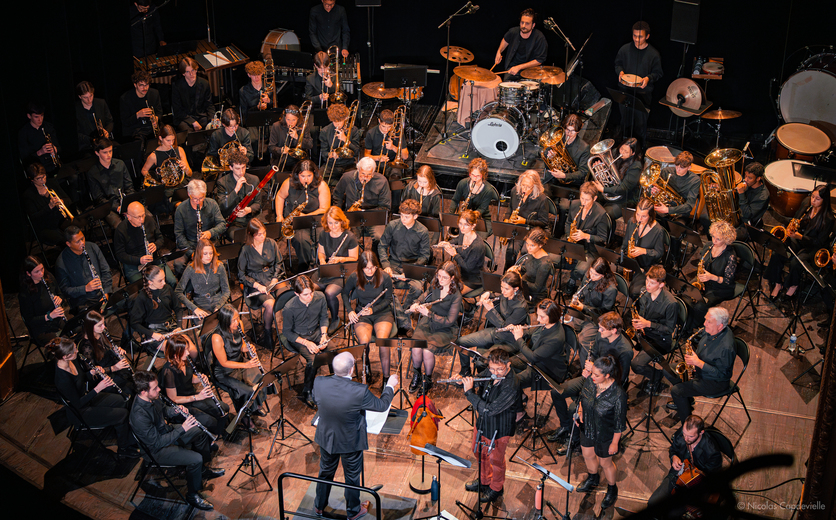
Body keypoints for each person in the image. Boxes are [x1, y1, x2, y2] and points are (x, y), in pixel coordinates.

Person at [312, 352, 395, 520]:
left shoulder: (319, 382)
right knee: (351, 477)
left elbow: (317, 399)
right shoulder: (359, 390)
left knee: (325, 472)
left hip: (326, 436)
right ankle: (353, 511)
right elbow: (382, 406)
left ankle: (319, 507)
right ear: (351, 370)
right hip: (350, 441)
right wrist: (390, 386)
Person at [130, 370, 223, 512]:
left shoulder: (153, 398)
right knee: (195, 459)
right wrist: (182, 429)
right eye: (155, 388)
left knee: (199, 431)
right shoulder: (138, 416)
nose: (159, 389)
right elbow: (157, 443)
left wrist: (175, 411)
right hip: (156, 450)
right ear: (143, 392)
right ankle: (192, 495)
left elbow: (164, 410)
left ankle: (202, 470)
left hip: (165, 432)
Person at [547, 311, 632, 457]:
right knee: (557, 392)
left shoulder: (625, 350)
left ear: (614, 330)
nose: (598, 331)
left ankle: (573, 440)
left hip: (606, 387)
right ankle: (566, 427)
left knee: (574, 408)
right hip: (593, 377)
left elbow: (620, 379)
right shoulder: (601, 336)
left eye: (602, 329)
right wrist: (589, 368)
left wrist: (595, 371)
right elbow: (594, 355)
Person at [47, 337, 138, 458]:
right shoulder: (62, 379)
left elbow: (81, 378)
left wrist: (91, 373)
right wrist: (98, 389)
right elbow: (78, 404)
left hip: (88, 398)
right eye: (74, 351)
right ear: (65, 356)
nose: (77, 352)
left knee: (123, 401)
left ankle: (127, 434)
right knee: (122, 414)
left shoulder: (71, 361)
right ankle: (123, 447)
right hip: (80, 412)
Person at [461, 348, 522, 504]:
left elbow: (490, 410)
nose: (495, 372)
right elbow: (477, 379)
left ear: (508, 365)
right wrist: (461, 380)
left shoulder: (511, 385)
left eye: (500, 369)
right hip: (483, 423)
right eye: (492, 368)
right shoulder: (491, 372)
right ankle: (484, 480)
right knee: (478, 452)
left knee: (496, 460)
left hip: (499, 429)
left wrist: (469, 393)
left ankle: (496, 487)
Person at [574, 355, 628, 510]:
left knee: (606, 463)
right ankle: (593, 478)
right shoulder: (591, 382)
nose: (592, 377)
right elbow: (582, 398)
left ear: (607, 375)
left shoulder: (618, 395)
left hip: (605, 434)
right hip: (587, 427)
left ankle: (612, 488)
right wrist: (580, 410)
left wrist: (615, 443)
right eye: (592, 373)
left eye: (596, 375)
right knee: (588, 455)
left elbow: (619, 423)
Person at [667, 308, 736, 423]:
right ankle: (686, 401)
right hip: (700, 368)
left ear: (720, 326)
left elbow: (722, 375)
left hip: (714, 382)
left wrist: (698, 363)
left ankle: (687, 423)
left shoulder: (726, 347)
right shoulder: (712, 330)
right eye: (705, 320)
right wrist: (694, 358)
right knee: (668, 370)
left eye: (709, 322)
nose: (704, 324)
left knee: (676, 391)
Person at [765, 185, 834, 301]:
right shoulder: (807, 203)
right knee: (779, 251)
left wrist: (800, 237)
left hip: (813, 247)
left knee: (796, 263)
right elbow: (796, 218)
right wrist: (790, 228)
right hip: (798, 238)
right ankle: (777, 283)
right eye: (812, 196)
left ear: (824, 200)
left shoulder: (828, 219)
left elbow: (819, 242)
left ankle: (793, 286)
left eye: (817, 199)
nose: (813, 201)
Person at [647, 415, 722, 519]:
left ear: (701, 433)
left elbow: (714, 476)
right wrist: (674, 457)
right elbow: (673, 450)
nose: (686, 439)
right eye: (684, 434)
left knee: (672, 513)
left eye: (690, 436)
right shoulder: (681, 435)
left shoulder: (712, 451)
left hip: (696, 485)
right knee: (653, 503)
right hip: (677, 475)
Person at [457, 271, 528, 377]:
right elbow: (496, 295)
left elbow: (504, 328)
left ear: (516, 289)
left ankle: (481, 383)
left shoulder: (521, 307)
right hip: (495, 332)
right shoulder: (506, 294)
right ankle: (465, 371)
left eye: (506, 288)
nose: (502, 291)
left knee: (482, 362)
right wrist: (488, 293)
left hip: (508, 340)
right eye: (501, 287)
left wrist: (491, 310)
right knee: (460, 342)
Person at [159, 334, 229, 439]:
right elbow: (173, 399)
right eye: (185, 351)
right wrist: (197, 397)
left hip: (192, 396)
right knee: (211, 421)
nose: (188, 353)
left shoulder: (184, 360)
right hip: (183, 404)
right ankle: (218, 434)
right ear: (175, 354)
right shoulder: (168, 372)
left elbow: (189, 377)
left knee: (224, 407)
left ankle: (225, 429)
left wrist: (200, 378)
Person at [408, 262, 463, 394]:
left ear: (452, 278)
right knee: (416, 347)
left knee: (427, 351)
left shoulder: (456, 296)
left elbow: (449, 321)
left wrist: (429, 314)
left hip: (445, 328)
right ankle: (417, 375)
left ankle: (427, 379)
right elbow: (426, 293)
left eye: (445, 277)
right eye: (439, 276)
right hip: (429, 322)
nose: (440, 279)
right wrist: (417, 303)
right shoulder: (436, 283)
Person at [210, 305, 267, 431]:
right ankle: (245, 418)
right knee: (245, 390)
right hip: (225, 372)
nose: (237, 322)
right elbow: (224, 362)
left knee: (262, 379)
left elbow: (240, 346)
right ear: (225, 321)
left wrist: (248, 347)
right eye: (233, 320)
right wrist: (246, 365)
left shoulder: (239, 324)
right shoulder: (217, 337)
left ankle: (255, 406)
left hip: (239, 363)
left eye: (237, 318)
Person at [342, 251, 395, 386]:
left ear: (377, 266)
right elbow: (344, 293)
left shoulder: (384, 277)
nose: (369, 271)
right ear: (361, 267)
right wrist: (350, 311)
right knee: (364, 342)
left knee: (382, 341)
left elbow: (388, 299)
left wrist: (373, 310)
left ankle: (386, 379)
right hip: (362, 313)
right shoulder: (355, 276)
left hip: (382, 313)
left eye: (372, 267)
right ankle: (366, 368)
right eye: (366, 268)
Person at [281, 275, 330, 408]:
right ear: (297, 294)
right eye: (306, 294)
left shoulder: (320, 297)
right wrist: (306, 343)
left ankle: (334, 384)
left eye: (312, 292)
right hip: (298, 337)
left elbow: (324, 317)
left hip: (316, 332)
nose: (310, 296)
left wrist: (324, 334)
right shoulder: (289, 308)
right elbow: (287, 332)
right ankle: (307, 391)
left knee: (334, 353)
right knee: (313, 360)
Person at [629, 265, 679, 394]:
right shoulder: (644, 294)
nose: (647, 285)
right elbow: (643, 314)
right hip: (646, 334)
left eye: (652, 283)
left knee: (636, 365)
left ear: (661, 284)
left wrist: (648, 324)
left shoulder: (670, 303)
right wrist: (639, 321)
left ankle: (657, 376)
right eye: (647, 281)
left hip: (661, 340)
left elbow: (669, 330)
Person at [378, 199, 431, 321]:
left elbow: (424, 256)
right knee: (383, 285)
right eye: (401, 215)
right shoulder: (393, 225)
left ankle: (402, 314)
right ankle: (403, 318)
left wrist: (409, 272)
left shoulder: (423, 231)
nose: (403, 219)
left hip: (413, 265)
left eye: (406, 217)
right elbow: (382, 246)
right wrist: (386, 265)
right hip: (394, 262)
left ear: (415, 216)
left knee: (417, 289)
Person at [275, 159, 331, 271]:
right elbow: (280, 197)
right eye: (302, 176)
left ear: (314, 174)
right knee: (300, 240)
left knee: (323, 237)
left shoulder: (322, 185)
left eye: (309, 176)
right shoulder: (289, 183)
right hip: (295, 221)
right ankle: (305, 267)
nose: (306, 179)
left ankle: (322, 264)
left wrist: (307, 215)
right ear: (297, 174)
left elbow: (325, 209)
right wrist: (279, 215)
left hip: (316, 220)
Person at [614, 21, 663, 144]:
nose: (636, 39)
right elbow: (618, 64)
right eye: (634, 36)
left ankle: (638, 152)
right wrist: (620, 72)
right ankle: (623, 151)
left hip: (643, 94)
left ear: (647, 36)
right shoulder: (624, 49)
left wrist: (648, 78)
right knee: (624, 123)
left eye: (640, 36)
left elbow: (658, 73)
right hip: (625, 91)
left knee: (640, 126)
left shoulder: (653, 54)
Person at [239, 218, 282, 349]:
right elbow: (241, 275)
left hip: (272, 280)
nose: (262, 236)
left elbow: (279, 264)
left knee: (290, 296)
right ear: (251, 235)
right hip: (256, 284)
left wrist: (275, 279)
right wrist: (257, 285)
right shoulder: (245, 249)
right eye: (258, 234)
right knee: (270, 304)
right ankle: (267, 331)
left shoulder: (272, 243)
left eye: (264, 232)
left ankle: (288, 332)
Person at [544, 115, 592, 234]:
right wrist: (548, 157)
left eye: (572, 131)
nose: (568, 133)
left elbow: (583, 172)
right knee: (540, 197)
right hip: (554, 180)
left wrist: (565, 176)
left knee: (564, 206)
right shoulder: (557, 139)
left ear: (578, 130)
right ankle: (541, 227)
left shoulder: (584, 147)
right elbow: (546, 162)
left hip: (571, 184)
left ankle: (559, 233)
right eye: (567, 129)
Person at [688, 220, 738, 330]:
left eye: (718, 239)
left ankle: (692, 327)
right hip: (705, 281)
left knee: (700, 306)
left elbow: (728, 281)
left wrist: (712, 277)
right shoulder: (708, 246)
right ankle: (686, 322)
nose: (714, 241)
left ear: (726, 240)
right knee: (685, 293)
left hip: (720, 288)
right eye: (713, 237)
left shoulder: (730, 257)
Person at [333, 156, 392, 249]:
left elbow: (385, 207)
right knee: (349, 238)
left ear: (373, 173)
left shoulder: (382, 181)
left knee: (379, 237)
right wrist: (338, 214)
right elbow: (337, 195)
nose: (365, 177)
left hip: (374, 217)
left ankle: (376, 258)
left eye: (369, 175)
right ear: (358, 169)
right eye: (362, 174)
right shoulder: (347, 177)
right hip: (352, 215)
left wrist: (367, 213)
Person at [317, 207, 360, 330]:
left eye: (336, 223)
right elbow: (321, 253)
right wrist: (322, 261)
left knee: (329, 293)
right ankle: (320, 317)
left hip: (343, 272)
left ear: (341, 221)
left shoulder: (350, 237)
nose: (333, 226)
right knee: (311, 288)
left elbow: (354, 257)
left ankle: (335, 318)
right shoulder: (323, 234)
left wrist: (340, 259)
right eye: (330, 223)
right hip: (327, 269)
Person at [567, 257, 618, 357]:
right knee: (565, 329)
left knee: (582, 340)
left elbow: (604, 313)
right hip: (583, 313)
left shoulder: (610, 289)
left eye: (596, 275)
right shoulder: (588, 277)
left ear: (603, 275)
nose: (591, 276)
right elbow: (580, 291)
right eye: (591, 272)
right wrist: (577, 298)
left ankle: (585, 369)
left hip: (597, 320)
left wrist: (583, 308)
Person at [510, 298, 567, 387]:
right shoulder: (546, 324)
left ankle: (521, 396)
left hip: (547, 369)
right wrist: (518, 330)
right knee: (508, 363)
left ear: (552, 316)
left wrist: (519, 338)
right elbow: (532, 333)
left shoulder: (555, 338)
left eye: (542, 316)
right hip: (537, 356)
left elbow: (533, 357)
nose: (538, 319)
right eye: (538, 315)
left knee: (513, 382)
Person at [115, 202, 175, 285]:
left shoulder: (149, 220)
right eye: (138, 217)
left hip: (153, 259)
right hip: (134, 265)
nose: (142, 220)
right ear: (128, 217)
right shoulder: (121, 230)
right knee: (145, 288)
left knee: (171, 281)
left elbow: (160, 238)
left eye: (143, 215)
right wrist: (139, 260)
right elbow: (120, 254)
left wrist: (156, 245)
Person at [564, 181, 610, 288]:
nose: (583, 202)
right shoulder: (575, 204)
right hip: (574, 244)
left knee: (580, 270)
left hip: (590, 249)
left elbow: (603, 239)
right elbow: (568, 222)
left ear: (594, 199)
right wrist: (568, 236)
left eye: (587, 199)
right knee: (553, 258)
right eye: (582, 198)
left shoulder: (600, 214)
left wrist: (586, 236)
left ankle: (573, 279)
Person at [55, 227, 112, 314]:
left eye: (83, 238)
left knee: (129, 300)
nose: (82, 243)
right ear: (68, 244)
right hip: (84, 301)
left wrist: (106, 293)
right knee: (95, 320)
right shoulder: (61, 262)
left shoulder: (92, 247)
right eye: (78, 241)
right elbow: (65, 291)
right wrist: (85, 288)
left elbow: (106, 271)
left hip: (103, 293)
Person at [173, 179, 226, 272]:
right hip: (190, 243)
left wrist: (210, 232)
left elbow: (222, 224)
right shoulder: (181, 209)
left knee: (223, 261)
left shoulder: (212, 204)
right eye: (195, 199)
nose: (198, 202)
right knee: (179, 263)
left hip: (210, 243)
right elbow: (178, 233)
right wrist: (191, 252)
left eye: (201, 198)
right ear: (189, 194)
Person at [79, 310, 134, 397]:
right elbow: (93, 372)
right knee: (129, 388)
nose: (103, 327)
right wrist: (114, 368)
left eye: (103, 323)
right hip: (104, 378)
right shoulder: (86, 347)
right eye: (100, 325)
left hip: (114, 366)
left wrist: (116, 350)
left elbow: (109, 348)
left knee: (135, 380)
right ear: (90, 327)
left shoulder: (102, 332)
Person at [19, 256, 67, 348]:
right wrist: (49, 316)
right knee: (63, 345)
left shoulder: (49, 277)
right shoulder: (25, 294)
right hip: (42, 329)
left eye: (42, 269)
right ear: (28, 274)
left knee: (79, 330)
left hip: (57, 320)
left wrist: (60, 298)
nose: (41, 273)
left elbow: (60, 294)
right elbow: (30, 320)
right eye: (37, 272)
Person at [175, 239, 231, 319]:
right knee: (207, 326)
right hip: (200, 304)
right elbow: (178, 291)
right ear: (199, 253)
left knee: (229, 322)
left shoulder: (219, 266)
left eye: (211, 253)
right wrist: (195, 309)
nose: (209, 256)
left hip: (218, 301)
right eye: (205, 254)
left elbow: (226, 290)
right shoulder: (191, 269)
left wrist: (219, 306)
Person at [621, 198, 666, 297]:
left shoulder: (658, 230)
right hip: (633, 262)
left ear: (650, 216)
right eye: (637, 214)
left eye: (644, 216)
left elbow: (659, 253)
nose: (639, 219)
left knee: (634, 292)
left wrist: (644, 251)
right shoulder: (631, 222)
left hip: (647, 267)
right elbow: (625, 243)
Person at [87, 137, 135, 229]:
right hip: (108, 207)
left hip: (125, 201)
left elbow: (129, 187)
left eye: (110, 151)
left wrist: (127, 204)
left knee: (145, 216)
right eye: (105, 152)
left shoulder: (120, 164)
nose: (109, 155)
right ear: (97, 153)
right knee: (119, 226)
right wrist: (117, 207)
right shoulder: (93, 173)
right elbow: (99, 198)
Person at [216, 150, 264, 239]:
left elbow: (258, 204)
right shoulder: (222, 182)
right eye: (237, 168)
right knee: (241, 238)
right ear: (230, 167)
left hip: (251, 219)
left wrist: (249, 209)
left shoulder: (254, 180)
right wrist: (236, 189)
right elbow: (222, 206)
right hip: (233, 223)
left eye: (243, 167)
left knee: (263, 234)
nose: (241, 172)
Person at [504, 170, 550, 264]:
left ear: (535, 186)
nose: (524, 189)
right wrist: (506, 220)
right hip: (518, 229)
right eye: (523, 185)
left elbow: (543, 222)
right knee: (510, 250)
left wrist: (525, 221)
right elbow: (510, 208)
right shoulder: (515, 191)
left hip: (533, 230)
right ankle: (507, 274)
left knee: (526, 252)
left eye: (528, 187)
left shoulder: (542, 199)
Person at [22, 163, 74, 246]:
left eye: (44, 176)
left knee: (75, 233)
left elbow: (69, 200)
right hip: (45, 227)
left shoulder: (52, 183)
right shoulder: (29, 195)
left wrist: (62, 201)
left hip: (60, 221)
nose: (43, 180)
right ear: (32, 180)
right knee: (64, 241)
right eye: (38, 178)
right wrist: (49, 207)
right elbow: (34, 218)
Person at [131, 265, 179, 353]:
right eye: (160, 280)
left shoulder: (167, 288)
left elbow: (178, 308)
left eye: (164, 279)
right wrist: (152, 334)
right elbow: (134, 323)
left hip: (172, 325)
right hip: (155, 331)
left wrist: (179, 326)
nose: (164, 283)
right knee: (176, 351)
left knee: (192, 349)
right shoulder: (142, 297)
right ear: (150, 282)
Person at [438, 210, 487, 295]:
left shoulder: (478, 246)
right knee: (441, 288)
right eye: (460, 223)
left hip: (473, 278)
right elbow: (458, 240)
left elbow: (468, 268)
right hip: (460, 272)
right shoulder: (463, 233)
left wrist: (455, 254)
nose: (462, 227)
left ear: (473, 225)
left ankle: (468, 307)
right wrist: (448, 242)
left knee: (451, 294)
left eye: (466, 225)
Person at [593, 138, 642, 221]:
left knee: (605, 216)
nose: (622, 152)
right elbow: (608, 175)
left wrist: (604, 189)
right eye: (621, 149)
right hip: (611, 192)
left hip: (624, 200)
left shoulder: (636, 166)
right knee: (589, 205)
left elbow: (624, 188)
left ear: (633, 153)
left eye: (626, 152)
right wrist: (600, 169)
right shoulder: (615, 152)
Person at [494, 8, 548, 81]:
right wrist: (499, 51)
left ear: (533, 25)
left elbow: (539, 60)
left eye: (527, 23)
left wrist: (519, 67)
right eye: (522, 22)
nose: (523, 26)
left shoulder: (539, 37)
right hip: (512, 70)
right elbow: (505, 40)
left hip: (530, 72)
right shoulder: (513, 32)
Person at [507, 227, 554, 306]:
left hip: (534, 296)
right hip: (524, 287)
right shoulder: (532, 252)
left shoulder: (545, 264)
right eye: (527, 243)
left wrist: (520, 279)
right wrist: (519, 268)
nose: (528, 247)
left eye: (532, 245)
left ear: (540, 245)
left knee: (510, 302)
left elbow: (537, 288)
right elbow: (530, 269)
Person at [451, 158, 497, 237]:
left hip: (481, 218)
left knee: (477, 240)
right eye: (472, 175)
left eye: (478, 176)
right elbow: (455, 200)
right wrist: (451, 217)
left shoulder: (488, 190)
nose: (474, 178)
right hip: (464, 217)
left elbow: (482, 209)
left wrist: (469, 218)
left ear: (483, 175)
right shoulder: (463, 183)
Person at [652, 151, 700, 223]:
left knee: (677, 229)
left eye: (682, 168)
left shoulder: (695, 180)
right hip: (663, 205)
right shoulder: (667, 172)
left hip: (681, 212)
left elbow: (689, 206)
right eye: (676, 165)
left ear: (689, 167)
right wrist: (654, 191)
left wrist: (668, 210)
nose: (678, 169)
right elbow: (656, 188)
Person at [18, 101, 63, 176]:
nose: (40, 119)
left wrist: (55, 149)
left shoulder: (48, 127)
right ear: (29, 116)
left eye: (42, 116)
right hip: (38, 168)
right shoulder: (23, 133)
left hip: (53, 165)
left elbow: (59, 148)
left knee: (73, 176)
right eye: (36, 117)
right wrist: (40, 152)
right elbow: (25, 158)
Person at [172, 57, 215, 133]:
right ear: (183, 73)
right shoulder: (177, 86)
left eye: (193, 70)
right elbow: (177, 110)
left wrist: (212, 120)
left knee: (210, 129)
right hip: (184, 118)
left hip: (201, 116)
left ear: (196, 69)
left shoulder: (205, 83)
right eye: (188, 72)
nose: (191, 74)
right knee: (187, 132)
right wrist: (193, 122)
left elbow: (209, 105)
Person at [119, 70, 162, 142]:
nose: (145, 88)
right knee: (140, 143)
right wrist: (138, 115)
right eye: (141, 85)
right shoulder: (125, 98)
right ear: (135, 85)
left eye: (147, 85)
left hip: (151, 127)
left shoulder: (154, 93)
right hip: (136, 129)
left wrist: (156, 118)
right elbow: (125, 122)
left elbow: (159, 111)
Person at [364, 109, 409, 177]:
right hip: (377, 162)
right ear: (379, 121)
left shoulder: (398, 132)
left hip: (393, 162)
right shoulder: (371, 133)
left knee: (396, 176)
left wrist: (393, 147)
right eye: (383, 126)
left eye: (389, 127)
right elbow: (366, 155)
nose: (386, 130)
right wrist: (378, 158)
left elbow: (405, 156)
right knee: (374, 177)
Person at [268, 104, 314, 171]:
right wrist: (280, 150)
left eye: (293, 120)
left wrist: (297, 137)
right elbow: (271, 147)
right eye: (288, 119)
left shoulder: (303, 125)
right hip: (281, 160)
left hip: (299, 160)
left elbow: (310, 145)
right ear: (284, 118)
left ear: (298, 119)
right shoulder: (276, 126)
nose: (290, 123)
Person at [321, 103, 360, 178]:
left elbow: (356, 152)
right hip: (331, 165)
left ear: (345, 118)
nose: (337, 124)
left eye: (339, 121)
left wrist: (345, 140)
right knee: (319, 179)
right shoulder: (325, 131)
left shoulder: (353, 129)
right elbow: (323, 153)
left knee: (354, 180)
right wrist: (331, 154)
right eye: (334, 121)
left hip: (349, 164)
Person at [733, 161, 770, 241]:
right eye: (745, 176)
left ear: (758, 178)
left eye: (749, 178)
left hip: (747, 224)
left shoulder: (762, 196)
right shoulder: (748, 184)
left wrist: (741, 193)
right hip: (738, 214)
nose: (745, 180)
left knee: (726, 236)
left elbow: (747, 215)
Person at [75, 81, 114, 152]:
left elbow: (110, 122)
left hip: (104, 142)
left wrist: (107, 131)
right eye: (85, 97)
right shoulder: (76, 110)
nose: (89, 100)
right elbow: (76, 133)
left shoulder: (101, 103)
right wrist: (91, 140)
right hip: (87, 146)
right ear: (80, 96)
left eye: (91, 96)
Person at [239, 60, 272, 125]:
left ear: (262, 73)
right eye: (254, 75)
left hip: (269, 121)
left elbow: (277, 108)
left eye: (258, 74)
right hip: (252, 123)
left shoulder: (270, 87)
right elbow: (244, 114)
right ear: (249, 75)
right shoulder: (243, 91)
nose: (257, 77)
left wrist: (269, 101)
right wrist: (257, 108)